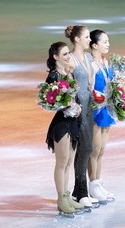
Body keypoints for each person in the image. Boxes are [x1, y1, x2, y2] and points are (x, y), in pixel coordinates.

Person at [45, 41, 84, 215]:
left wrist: (76, 107)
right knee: (61, 163)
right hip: (61, 124)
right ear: (55, 57)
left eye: (69, 53)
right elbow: (50, 101)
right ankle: (61, 199)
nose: (69, 56)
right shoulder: (53, 77)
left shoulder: (68, 74)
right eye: (65, 54)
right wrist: (66, 108)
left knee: (69, 162)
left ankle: (67, 196)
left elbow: (73, 97)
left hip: (73, 122)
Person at [64, 25, 98, 208]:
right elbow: (66, 84)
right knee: (85, 148)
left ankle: (79, 191)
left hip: (89, 106)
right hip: (78, 109)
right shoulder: (70, 59)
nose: (89, 40)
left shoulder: (87, 58)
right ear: (76, 39)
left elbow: (89, 83)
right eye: (86, 37)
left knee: (87, 148)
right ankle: (81, 191)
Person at [88, 29, 115, 202]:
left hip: (106, 108)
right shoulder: (90, 64)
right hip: (95, 108)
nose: (108, 45)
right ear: (94, 45)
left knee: (102, 150)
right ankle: (92, 186)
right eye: (104, 42)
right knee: (94, 149)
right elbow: (88, 88)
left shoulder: (106, 63)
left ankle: (98, 183)